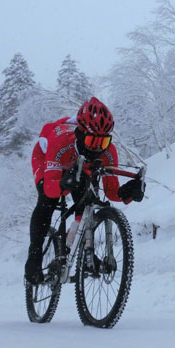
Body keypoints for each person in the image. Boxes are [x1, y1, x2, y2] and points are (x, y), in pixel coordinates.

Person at [25, 97, 144, 284]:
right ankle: (34, 257)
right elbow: (50, 188)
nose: (97, 147)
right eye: (92, 140)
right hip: (48, 159)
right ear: (80, 134)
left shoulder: (108, 151)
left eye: (103, 143)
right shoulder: (60, 140)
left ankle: (85, 252)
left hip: (79, 164)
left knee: (87, 197)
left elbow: (111, 190)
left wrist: (127, 192)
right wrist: (63, 185)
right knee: (48, 201)